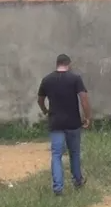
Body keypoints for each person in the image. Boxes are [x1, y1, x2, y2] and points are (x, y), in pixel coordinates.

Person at [37, 54, 92, 195]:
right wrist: (87, 117)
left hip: (55, 122)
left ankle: (58, 187)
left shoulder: (47, 80)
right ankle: (77, 180)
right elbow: (84, 98)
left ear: (57, 63)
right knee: (74, 153)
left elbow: (40, 100)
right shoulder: (75, 78)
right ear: (69, 64)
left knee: (56, 155)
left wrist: (45, 111)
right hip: (73, 122)